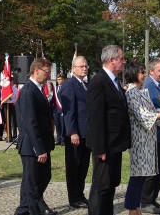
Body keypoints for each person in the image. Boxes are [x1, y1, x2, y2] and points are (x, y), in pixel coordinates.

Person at [86, 45, 131, 215]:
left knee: (111, 184)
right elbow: (95, 118)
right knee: (101, 186)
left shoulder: (114, 81)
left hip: (115, 144)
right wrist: (100, 148)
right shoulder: (99, 81)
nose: (124, 62)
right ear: (112, 60)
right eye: (122, 59)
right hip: (105, 145)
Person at [124, 61, 160, 215]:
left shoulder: (142, 92)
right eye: (141, 72)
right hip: (139, 140)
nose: (144, 75)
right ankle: (132, 207)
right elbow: (143, 116)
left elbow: (152, 110)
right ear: (133, 74)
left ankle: (137, 206)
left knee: (145, 174)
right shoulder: (131, 93)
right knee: (137, 176)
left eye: (144, 72)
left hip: (149, 139)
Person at [14, 58, 57, 215]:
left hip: (40, 144)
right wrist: (39, 149)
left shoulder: (37, 89)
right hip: (31, 146)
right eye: (46, 72)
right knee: (32, 183)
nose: (48, 75)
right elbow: (30, 122)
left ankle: (26, 209)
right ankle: (29, 210)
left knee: (43, 177)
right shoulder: (28, 91)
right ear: (36, 70)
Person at [141, 57, 160, 214]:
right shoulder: (148, 86)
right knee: (152, 169)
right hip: (153, 135)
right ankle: (145, 201)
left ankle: (152, 199)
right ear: (151, 71)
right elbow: (148, 111)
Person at [59, 56, 91, 209]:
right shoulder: (69, 85)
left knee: (83, 166)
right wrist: (73, 132)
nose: (84, 68)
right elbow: (69, 111)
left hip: (86, 133)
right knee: (74, 166)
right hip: (75, 133)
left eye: (86, 66)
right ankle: (74, 197)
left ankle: (80, 194)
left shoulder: (85, 84)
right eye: (81, 66)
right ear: (73, 68)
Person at [53, 74, 66, 146]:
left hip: (62, 109)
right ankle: (58, 139)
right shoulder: (55, 88)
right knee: (57, 125)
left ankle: (63, 139)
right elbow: (53, 99)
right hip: (56, 110)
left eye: (60, 79)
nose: (59, 81)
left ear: (63, 80)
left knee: (63, 125)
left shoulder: (65, 87)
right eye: (58, 79)